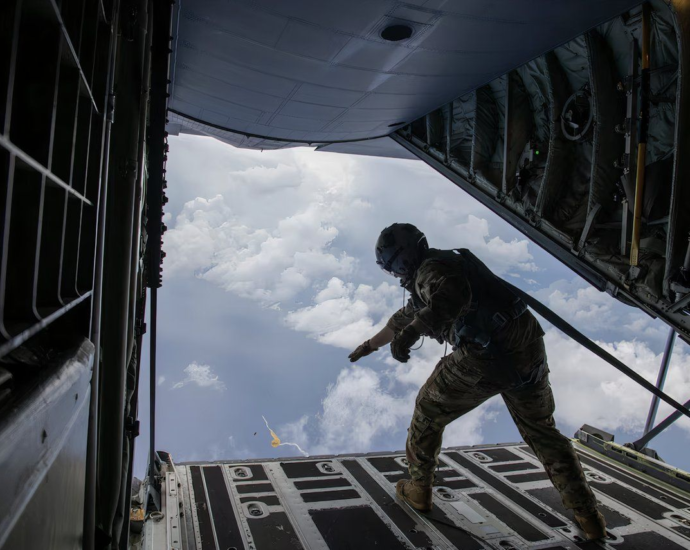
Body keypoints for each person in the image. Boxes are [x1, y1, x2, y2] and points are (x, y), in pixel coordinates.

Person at [348, 223, 607, 540]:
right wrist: (369, 345)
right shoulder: (446, 265)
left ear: (399, 261)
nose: (396, 276)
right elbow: (398, 321)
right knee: (543, 432)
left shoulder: (430, 272)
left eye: (392, 268)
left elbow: (450, 296)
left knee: (428, 411)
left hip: (484, 354)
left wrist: (413, 332)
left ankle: (419, 489)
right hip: (525, 345)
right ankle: (588, 516)